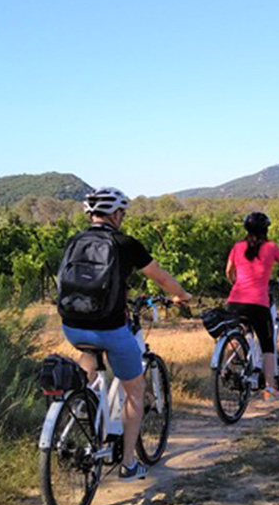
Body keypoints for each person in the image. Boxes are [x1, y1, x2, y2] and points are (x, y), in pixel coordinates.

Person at [59, 187, 193, 481]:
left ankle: (82, 401)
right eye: (122, 213)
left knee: (89, 355)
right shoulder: (125, 243)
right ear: (116, 214)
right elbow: (161, 277)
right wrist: (182, 295)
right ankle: (129, 463)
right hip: (111, 329)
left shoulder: (74, 240)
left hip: (71, 325)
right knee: (135, 389)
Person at [225, 212, 279, 400]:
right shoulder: (271, 248)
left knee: (236, 335)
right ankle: (270, 388)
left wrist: (236, 285)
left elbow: (228, 271)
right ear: (266, 229)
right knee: (267, 346)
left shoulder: (237, 247)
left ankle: (225, 365)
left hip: (235, 301)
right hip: (258, 303)